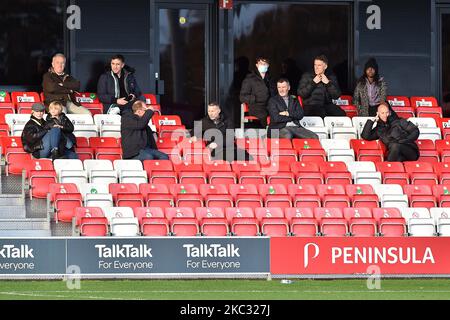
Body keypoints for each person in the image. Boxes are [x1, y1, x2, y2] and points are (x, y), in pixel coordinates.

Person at [239, 57, 276, 128]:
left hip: (269, 106)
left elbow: (274, 94)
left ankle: (276, 136)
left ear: (268, 65)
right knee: (265, 116)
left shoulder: (270, 78)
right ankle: (269, 135)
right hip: (256, 107)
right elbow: (242, 97)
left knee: (278, 115)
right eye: (261, 63)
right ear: (257, 65)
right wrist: (255, 98)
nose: (263, 65)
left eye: (265, 64)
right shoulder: (250, 79)